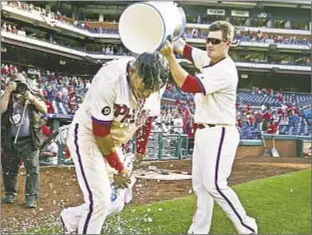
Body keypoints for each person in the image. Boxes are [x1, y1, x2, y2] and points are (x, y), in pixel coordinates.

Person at [160, 21, 258, 234]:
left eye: (216, 41)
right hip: (204, 131)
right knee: (201, 187)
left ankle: (247, 227)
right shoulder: (210, 57)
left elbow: (188, 85)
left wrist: (169, 57)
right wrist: (167, 32)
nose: (210, 44)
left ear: (227, 44)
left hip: (221, 131)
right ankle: (198, 231)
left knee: (214, 183)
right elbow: (184, 48)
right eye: (208, 40)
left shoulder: (225, 69)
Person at [60, 51, 169, 234]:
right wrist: (120, 168)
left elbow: (147, 116)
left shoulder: (157, 83)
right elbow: (101, 134)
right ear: (133, 71)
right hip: (89, 134)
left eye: (152, 89)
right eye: (144, 88)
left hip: (114, 140)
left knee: (116, 201)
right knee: (100, 200)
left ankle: (71, 219)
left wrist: (140, 150)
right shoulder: (110, 79)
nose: (147, 94)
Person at [1, 73, 47, 208]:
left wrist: (32, 99)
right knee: (9, 169)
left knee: (32, 170)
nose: (19, 87)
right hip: (10, 140)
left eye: (21, 84)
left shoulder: (32, 94)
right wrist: (8, 92)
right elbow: (1, 109)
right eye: (16, 84)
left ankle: (31, 198)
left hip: (30, 140)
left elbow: (44, 109)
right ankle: (10, 193)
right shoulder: (7, 96)